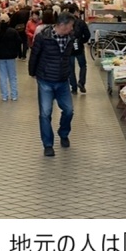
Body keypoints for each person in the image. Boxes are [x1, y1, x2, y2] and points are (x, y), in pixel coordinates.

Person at [29, 11, 76, 157]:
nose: (72, 28)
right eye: (70, 26)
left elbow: (73, 53)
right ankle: (48, 144)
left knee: (69, 110)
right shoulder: (43, 37)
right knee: (45, 113)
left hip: (62, 80)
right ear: (62, 25)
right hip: (45, 80)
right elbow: (34, 54)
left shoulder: (70, 37)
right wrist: (32, 72)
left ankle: (63, 133)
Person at [0, 13, 21, 101]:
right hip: (11, 56)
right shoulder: (13, 31)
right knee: (12, 76)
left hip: (0, 56)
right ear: (9, 21)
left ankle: (4, 96)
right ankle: (14, 95)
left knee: (2, 76)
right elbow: (19, 42)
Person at [67, 4, 91, 94]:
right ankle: (81, 83)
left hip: (69, 48)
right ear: (76, 12)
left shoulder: (66, 22)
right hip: (79, 47)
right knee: (83, 65)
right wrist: (82, 41)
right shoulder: (81, 22)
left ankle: (73, 87)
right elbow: (87, 35)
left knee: (70, 68)